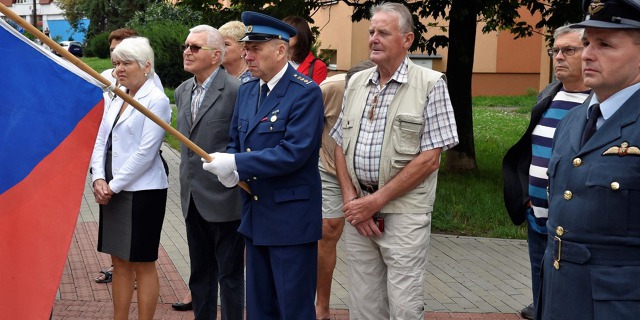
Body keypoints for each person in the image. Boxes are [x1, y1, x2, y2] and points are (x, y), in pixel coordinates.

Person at [329, 3, 459, 319]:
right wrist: (352, 202)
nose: (373, 38)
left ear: (407, 39)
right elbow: (339, 146)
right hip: (360, 213)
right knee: (363, 305)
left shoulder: (430, 83)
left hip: (404, 214)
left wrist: (374, 202)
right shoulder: (357, 82)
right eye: (372, 32)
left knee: (404, 306)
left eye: (383, 32)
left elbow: (430, 160)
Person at [201, 11, 324, 319]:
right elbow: (235, 141)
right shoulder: (247, 89)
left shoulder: (305, 92)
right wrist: (230, 170)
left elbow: (293, 153)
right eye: (246, 47)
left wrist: (237, 163)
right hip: (256, 218)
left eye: (255, 48)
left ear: (280, 50)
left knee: (292, 309)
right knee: (259, 309)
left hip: (290, 222)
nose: (247, 54)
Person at [537, 0, 640, 319]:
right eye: (586, 43)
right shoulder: (572, 120)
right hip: (558, 295)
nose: (588, 54)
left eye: (605, 44)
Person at [501, 25, 589, 320]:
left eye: (569, 50)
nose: (559, 57)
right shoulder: (549, 95)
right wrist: (527, 199)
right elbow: (531, 150)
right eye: (555, 51)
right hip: (537, 218)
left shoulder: (598, 104)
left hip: (572, 227)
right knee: (540, 292)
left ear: (588, 52)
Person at [90, 36, 171, 320]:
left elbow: (145, 153)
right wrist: (97, 178)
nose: (119, 69)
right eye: (116, 63)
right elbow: (101, 139)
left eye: (126, 63)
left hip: (142, 192)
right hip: (112, 189)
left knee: (142, 263)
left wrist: (112, 186)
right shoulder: (118, 94)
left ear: (146, 65)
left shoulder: (157, 100)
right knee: (119, 262)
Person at [174, 25, 245, 320]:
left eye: (195, 47)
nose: (187, 51)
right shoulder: (182, 90)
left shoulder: (237, 91)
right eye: (186, 46)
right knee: (200, 276)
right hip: (192, 199)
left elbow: (242, 144)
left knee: (229, 276)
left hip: (225, 200)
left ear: (217, 55)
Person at [315, 60, 375, 320]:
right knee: (328, 230)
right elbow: (305, 127)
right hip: (329, 166)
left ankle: (371, 306)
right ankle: (322, 307)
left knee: (371, 235)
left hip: (370, 173)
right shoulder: (329, 88)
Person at [282, 16, 328, 84]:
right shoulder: (275, 62)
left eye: (290, 32)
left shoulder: (318, 67)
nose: (284, 35)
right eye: (282, 32)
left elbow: (316, 93)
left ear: (301, 34)